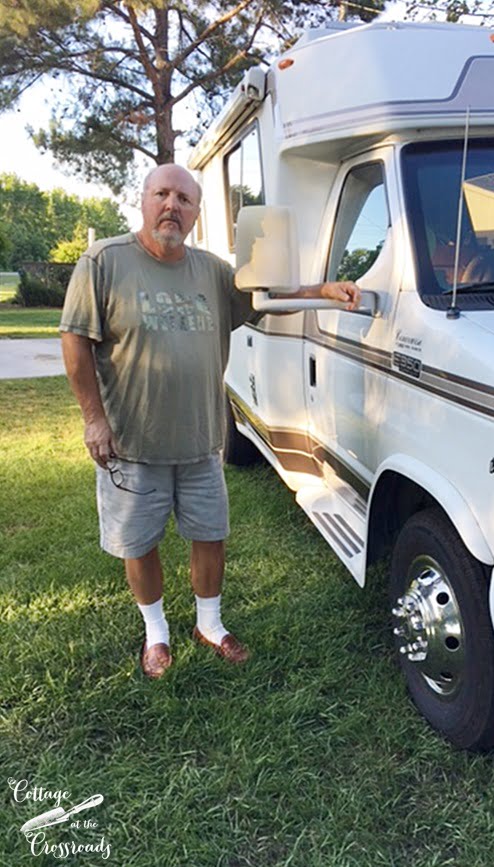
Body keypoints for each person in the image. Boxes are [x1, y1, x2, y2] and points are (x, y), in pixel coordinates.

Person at [60, 163, 360, 679]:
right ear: (144, 200)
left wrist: (323, 289)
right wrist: (94, 419)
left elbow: (266, 296)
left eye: (184, 199)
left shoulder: (213, 270)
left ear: (197, 213)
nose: (172, 205)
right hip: (132, 443)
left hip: (201, 442)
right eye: (163, 194)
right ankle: (157, 633)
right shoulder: (103, 261)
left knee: (210, 535)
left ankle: (210, 625)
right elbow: (74, 340)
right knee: (140, 542)